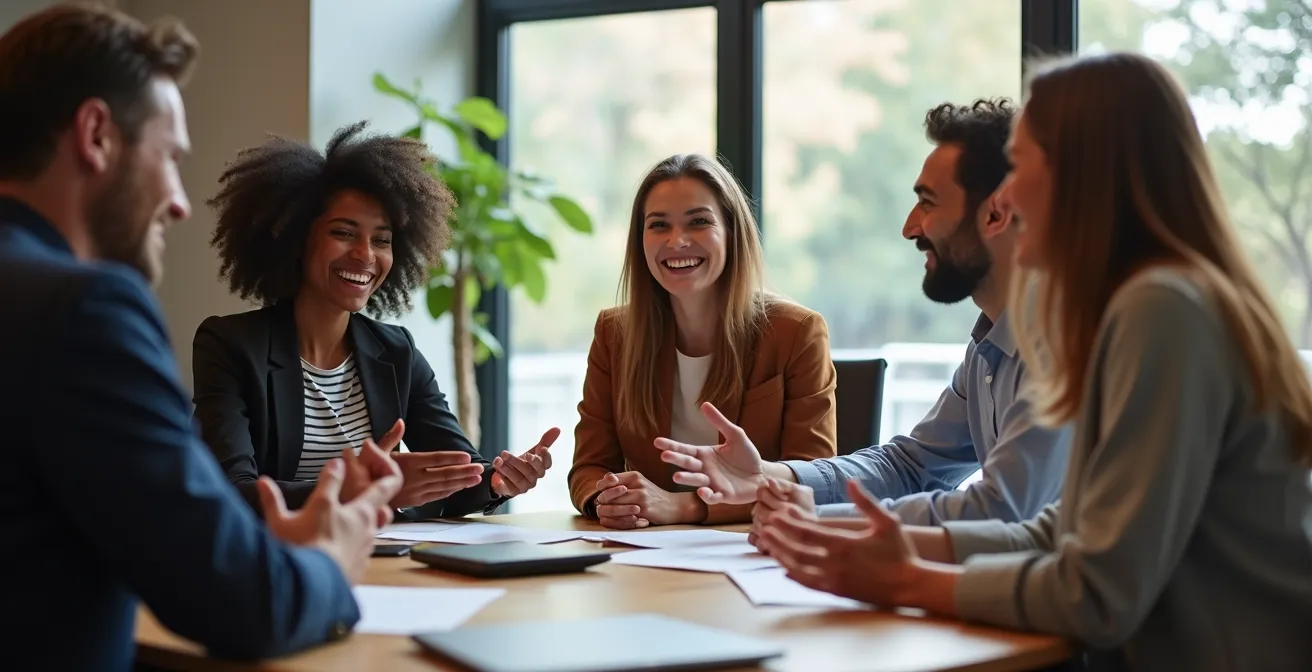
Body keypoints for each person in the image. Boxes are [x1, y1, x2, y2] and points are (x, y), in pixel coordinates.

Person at [754, 52, 1312, 671]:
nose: (1009, 196)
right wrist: (865, 538)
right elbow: (1061, 532)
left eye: (1021, 162)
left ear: (1085, 174)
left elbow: (1095, 592)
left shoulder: (1162, 309)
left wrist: (903, 580)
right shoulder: (1145, 303)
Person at [0, 5, 403, 670]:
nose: (180, 200)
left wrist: (270, 549)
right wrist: (333, 557)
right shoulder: (84, 311)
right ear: (96, 134)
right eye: (169, 158)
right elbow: (249, 606)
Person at [658, 100, 1068, 532]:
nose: (910, 227)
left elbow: (1003, 510)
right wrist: (770, 476)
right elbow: (909, 466)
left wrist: (820, 518)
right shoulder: (990, 348)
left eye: (927, 203)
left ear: (996, 213)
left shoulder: (1060, 342)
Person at [194, 123, 556, 521]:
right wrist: (359, 489)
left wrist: (497, 481)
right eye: (344, 233)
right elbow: (230, 493)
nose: (365, 255)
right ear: (297, 239)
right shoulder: (230, 346)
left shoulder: (396, 352)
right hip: (277, 564)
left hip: (379, 565)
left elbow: (460, 473)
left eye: (381, 240)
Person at [567, 153, 838, 528]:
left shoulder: (797, 332)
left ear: (732, 232)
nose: (677, 241)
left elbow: (809, 481)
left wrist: (684, 507)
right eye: (658, 225)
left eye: (698, 222)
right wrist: (607, 498)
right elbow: (590, 465)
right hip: (646, 552)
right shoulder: (615, 333)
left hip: (755, 549)